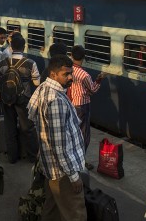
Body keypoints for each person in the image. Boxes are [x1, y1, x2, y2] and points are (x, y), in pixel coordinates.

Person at [27, 55, 86, 221]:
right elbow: (58, 145)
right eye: (65, 74)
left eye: (70, 73)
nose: (70, 78)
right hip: (62, 172)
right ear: (53, 75)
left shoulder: (44, 87)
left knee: (52, 210)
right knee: (76, 213)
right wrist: (73, 177)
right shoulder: (56, 100)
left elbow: (31, 113)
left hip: (50, 166)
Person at [0, 35, 40, 164]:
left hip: (7, 99)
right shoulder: (30, 63)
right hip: (24, 99)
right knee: (27, 127)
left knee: (10, 127)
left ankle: (12, 157)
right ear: (24, 47)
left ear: (11, 47)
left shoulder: (3, 63)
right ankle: (32, 156)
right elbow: (37, 83)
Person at [69, 45, 107, 170]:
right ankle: (80, 161)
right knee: (83, 136)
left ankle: (73, 159)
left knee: (73, 134)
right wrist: (100, 79)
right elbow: (93, 89)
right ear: (83, 58)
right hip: (82, 106)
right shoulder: (84, 74)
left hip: (71, 104)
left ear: (71, 55)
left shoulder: (68, 70)